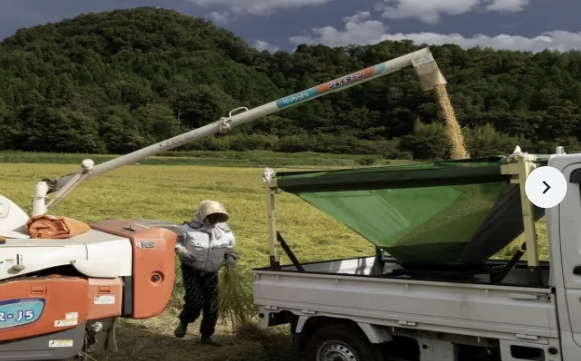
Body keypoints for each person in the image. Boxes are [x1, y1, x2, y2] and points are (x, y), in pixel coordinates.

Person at [174, 200, 238, 347]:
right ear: (202, 215)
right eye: (212, 216)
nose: (215, 219)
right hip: (192, 270)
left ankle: (206, 336)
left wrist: (230, 257)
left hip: (211, 272)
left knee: (212, 305)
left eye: (218, 216)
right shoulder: (186, 229)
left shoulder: (225, 233)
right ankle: (184, 321)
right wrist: (183, 252)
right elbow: (177, 244)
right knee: (195, 301)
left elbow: (229, 247)